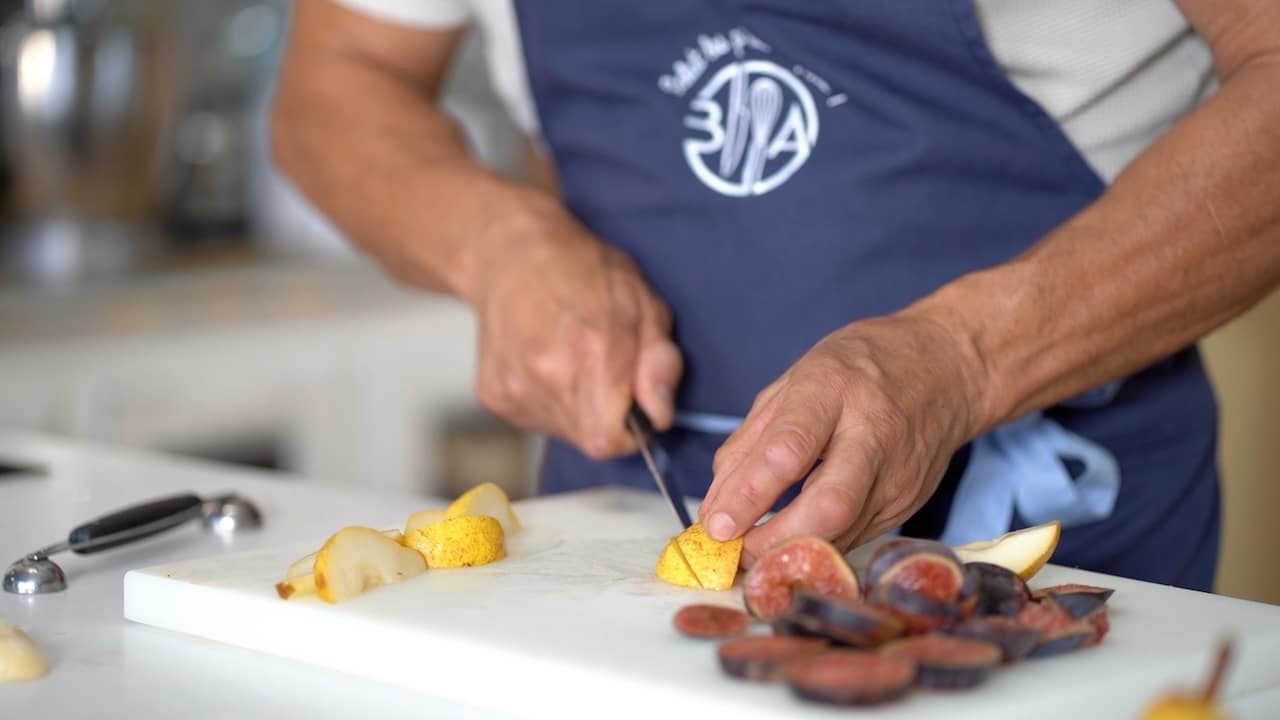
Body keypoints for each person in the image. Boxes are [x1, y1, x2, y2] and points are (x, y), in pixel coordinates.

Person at [271, 0, 1280, 591]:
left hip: (1060, 541)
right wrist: (496, 245)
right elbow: (337, 83)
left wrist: (966, 356)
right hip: (607, 528)